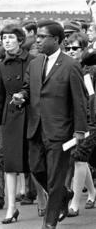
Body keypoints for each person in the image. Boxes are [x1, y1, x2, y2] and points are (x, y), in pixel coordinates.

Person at [12, 20, 88, 229]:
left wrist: (80, 130)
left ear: (56, 39)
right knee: (36, 169)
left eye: (42, 37)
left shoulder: (71, 65)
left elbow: (79, 100)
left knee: (55, 178)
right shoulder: (35, 63)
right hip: (35, 128)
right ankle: (63, 195)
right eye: (37, 36)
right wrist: (21, 96)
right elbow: (28, 88)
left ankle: (49, 222)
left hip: (60, 131)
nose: (37, 40)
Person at [0, 25, 34, 224]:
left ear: (19, 40)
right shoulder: (1, 65)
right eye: (3, 38)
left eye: (10, 38)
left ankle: (42, 200)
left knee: (34, 162)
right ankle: (11, 208)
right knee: (10, 164)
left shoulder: (33, 60)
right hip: (10, 117)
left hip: (32, 114)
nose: (6, 41)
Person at [63, 32, 96, 217]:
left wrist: (89, 121)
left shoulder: (90, 70)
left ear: (84, 49)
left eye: (75, 48)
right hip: (73, 119)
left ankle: (75, 203)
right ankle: (92, 192)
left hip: (90, 120)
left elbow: (90, 98)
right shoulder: (67, 67)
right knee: (80, 158)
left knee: (79, 157)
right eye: (67, 48)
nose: (70, 51)